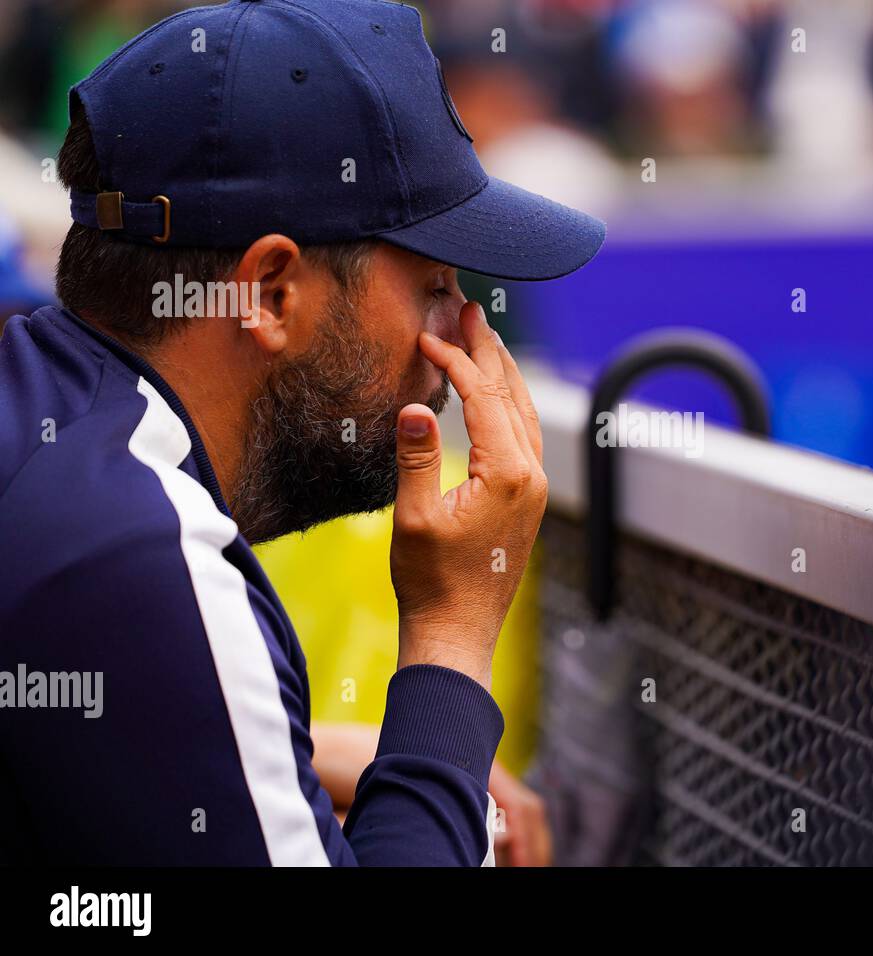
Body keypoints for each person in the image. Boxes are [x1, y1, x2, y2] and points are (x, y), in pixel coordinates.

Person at [0, 0, 603, 865]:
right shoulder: (137, 549)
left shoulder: (46, 420)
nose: (465, 332)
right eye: (436, 282)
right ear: (272, 293)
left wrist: (302, 757)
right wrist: (452, 628)